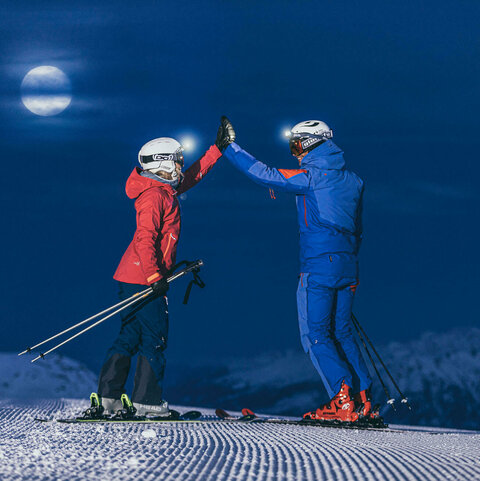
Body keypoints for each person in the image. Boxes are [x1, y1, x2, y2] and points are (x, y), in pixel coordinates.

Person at [222, 117, 372, 422]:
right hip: (348, 266)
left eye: (297, 145)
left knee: (315, 335)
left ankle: (341, 401)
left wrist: (229, 148)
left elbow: (265, 175)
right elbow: (356, 227)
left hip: (318, 267)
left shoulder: (311, 177)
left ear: (313, 143)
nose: (295, 152)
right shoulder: (354, 181)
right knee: (342, 333)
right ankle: (363, 400)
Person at [96, 119, 235, 416]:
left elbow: (191, 178)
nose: (181, 166)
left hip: (132, 276)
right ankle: (147, 403)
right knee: (155, 338)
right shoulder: (155, 196)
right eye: (177, 161)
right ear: (163, 163)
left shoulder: (160, 189)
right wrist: (155, 276)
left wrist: (217, 150)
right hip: (145, 278)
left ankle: (108, 398)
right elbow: (145, 238)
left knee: (130, 336)